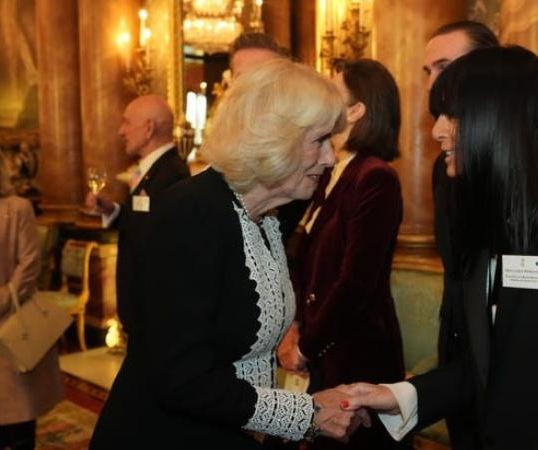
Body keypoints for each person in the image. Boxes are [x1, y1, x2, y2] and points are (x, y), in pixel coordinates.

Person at [344, 46, 538, 450]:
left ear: (498, 117)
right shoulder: (480, 211)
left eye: (450, 116)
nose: (437, 131)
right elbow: (489, 366)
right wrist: (401, 396)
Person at [90, 58, 367, 449]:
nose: (330, 158)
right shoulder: (191, 212)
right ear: (273, 137)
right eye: (320, 140)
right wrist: (302, 412)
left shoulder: (266, 214)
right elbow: (181, 377)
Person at [277, 58, 406, 450]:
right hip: (324, 346)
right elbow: (305, 257)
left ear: (355, 110)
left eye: (332, 92)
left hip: (359, 354)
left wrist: (305, 345)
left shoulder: (376, 178)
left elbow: (355, 283)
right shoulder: (333, 172)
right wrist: (296, 322)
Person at [425, 21, 498, 447]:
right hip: (458, 359)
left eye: (445, 66)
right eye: (428, 71)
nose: (435, 82)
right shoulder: (443, 168)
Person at [86, 94, 189, 332]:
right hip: (143, 305)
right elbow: (143, 219)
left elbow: (163, 240)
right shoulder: (154, 170)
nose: (121, 131)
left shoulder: (171, 174)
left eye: (126, 123)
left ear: (149, 128)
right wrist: (112, 210)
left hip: (155, 305)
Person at [0, 155, 62, 450]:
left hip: (13, 320)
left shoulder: (17, 208)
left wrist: (4, 296)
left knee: (18, 417)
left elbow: (30, 263)